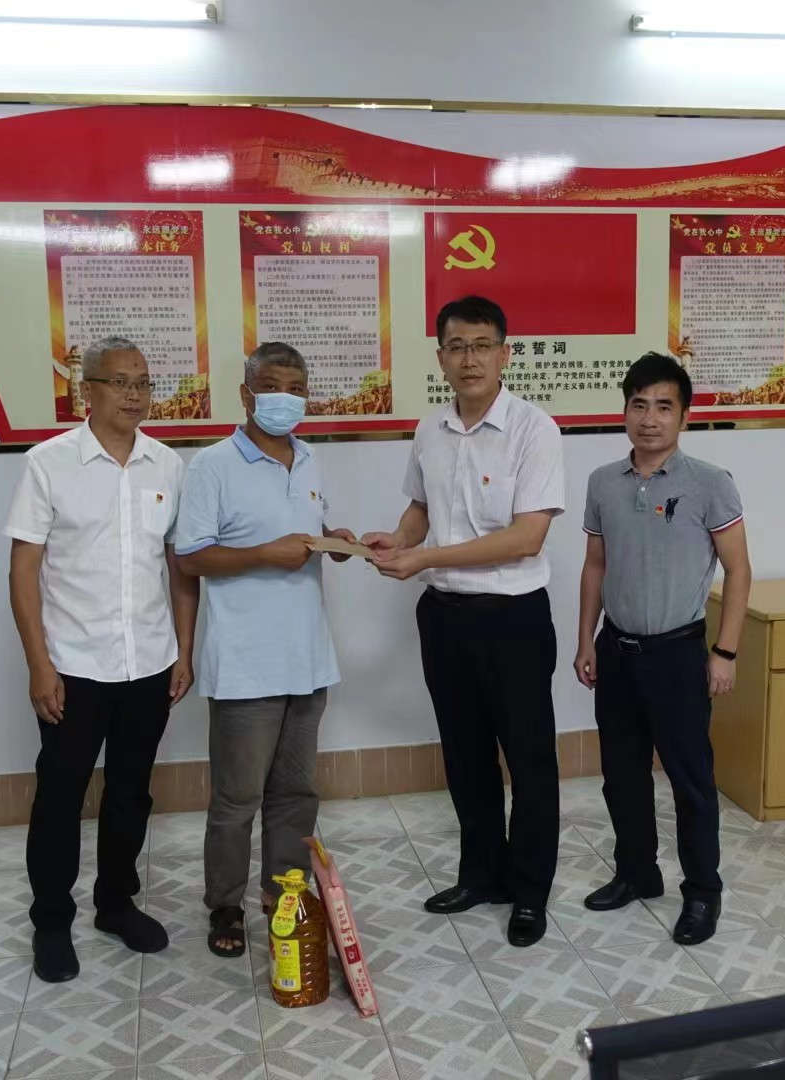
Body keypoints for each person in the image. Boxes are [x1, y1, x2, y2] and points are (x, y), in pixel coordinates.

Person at [363, 295, 565, 948]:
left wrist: (424, 556)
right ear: (441, 357)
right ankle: (481, 874)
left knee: (529, 760)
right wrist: (399, 540)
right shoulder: (431, 429)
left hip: (513, 619)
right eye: (457, 346)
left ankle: (528, 891)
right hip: (444, 618)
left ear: (506, 354)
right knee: (465, 755)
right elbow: (421, 508)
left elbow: (527, 538)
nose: (469, 358)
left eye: (482, 345)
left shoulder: (535, 430)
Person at [4, 337, 198, 984]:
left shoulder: (166, 465)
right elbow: (23, 571)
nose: (134, 395)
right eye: (119, 382)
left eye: (143, 383)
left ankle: (116, 903)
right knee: (60, 797)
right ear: (86, 390)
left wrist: (184, 650)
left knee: (130, 794)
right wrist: (39, 664)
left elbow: (179, 569)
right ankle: (51, 922)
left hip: (149, 662)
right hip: (74, 666)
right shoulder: (48, 464)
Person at [174, 342, 359, 958]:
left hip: (307, 659)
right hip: (245, 664)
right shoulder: (212, 465)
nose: (285, 398)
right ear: (246, 394)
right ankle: (224, 905)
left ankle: (285, 891)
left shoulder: (308, 459)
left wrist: (334, 541)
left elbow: (305, 532)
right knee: (237, 799)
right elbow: (190, 556)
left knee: (296, 793)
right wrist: (263, 554)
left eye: (296, 387)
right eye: (272, 386)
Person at [574, 352, 751, 946]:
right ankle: (637, 872)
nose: (649, 418)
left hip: (678, 653)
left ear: (684, 416)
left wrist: (725, 652)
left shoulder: (710, 483)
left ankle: (702, 892)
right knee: (621, 775)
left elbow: (739, 569)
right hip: (617, 651)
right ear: (625, 410)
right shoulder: (603, 482)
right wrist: (586, 640)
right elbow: (595, 565)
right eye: (639, 405)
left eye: (663, 407)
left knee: (689, 779)